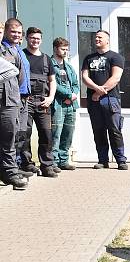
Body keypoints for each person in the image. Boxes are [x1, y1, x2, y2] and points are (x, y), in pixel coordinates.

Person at [81, 30, 127, 170]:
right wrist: (96, 90)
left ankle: (121, 160)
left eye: (100, 37)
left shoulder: (116, 57)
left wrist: (100, 93)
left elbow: (116, 78)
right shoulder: (88, 58)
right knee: (98, 130)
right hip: (93, 101)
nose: (97, 39)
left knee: (114, 130)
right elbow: (84, 77)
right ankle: (102, 160)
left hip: (111, 99)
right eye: (96, 37)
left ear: (107, 40)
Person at [20, 27, 57, 178]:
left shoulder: (46, 58)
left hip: (43, 101)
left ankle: (47, 165)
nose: (35, 41)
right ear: (27, 38)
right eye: (32, 38)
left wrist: (50, 98)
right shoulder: (21, 55)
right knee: (25, 133)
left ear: (41, 40)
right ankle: (27, 164)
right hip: (26, 101)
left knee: (46, 134)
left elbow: (52, 80)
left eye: (38, 38)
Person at [0, 21, 26, 190]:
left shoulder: (11, 52)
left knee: (9, 136)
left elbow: (20, 77)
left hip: (8, 100)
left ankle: (9, 172)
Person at [51, 37, 79, 170]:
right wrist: (68, 95)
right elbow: (53, 85)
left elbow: (75, 84)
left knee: (68, 133)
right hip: (58, 104)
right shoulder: (50, 64)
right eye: (63, 49)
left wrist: (73, 95)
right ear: (56, 48)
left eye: (67, 49)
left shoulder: (69, 66)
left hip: (71, 105)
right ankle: (54, 162)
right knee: (56, 133)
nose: (65, 52)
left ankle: (64, 160)